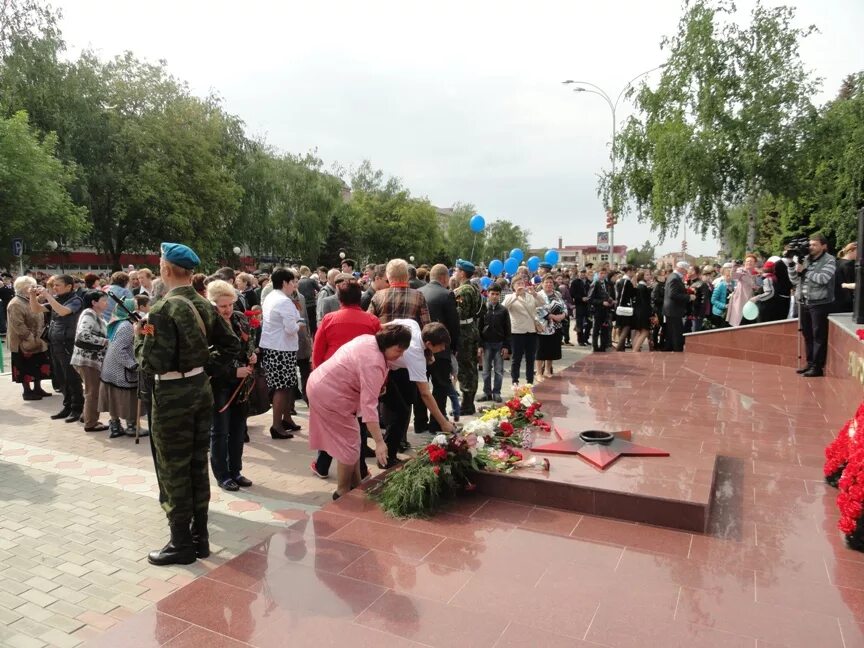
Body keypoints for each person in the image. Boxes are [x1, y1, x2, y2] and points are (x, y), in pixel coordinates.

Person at [135, 242, 240, 566]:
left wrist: (140, 335)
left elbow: (150, 362)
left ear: (166, 270)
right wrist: (204, 367)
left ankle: (180, 542)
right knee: (196, 465)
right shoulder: (203, 303)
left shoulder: (163, 310)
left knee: (173, 470)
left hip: (171, 397)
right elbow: (231, 344)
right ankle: (201, 537)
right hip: (199, 390)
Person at [307, 327, 406, 499]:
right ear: (388, 344)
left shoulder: (370, 340)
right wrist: (379, 442)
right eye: (398, 350)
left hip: (323, 386)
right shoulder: (374, 362)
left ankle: (357, 486)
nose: (401, 355)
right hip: (330, 395)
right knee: (349, 445)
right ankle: (342, 492)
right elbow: (369, 407)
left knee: (352, 441)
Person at [309, 278, 381, 480]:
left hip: (331, 378)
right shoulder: (372, 321)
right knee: (355, 425)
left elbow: (317, 350)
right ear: (360, 298)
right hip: (359, 380)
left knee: (333, 425)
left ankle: (323, 465)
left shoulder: (329, 319)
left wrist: (317, 373)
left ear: (339, 298)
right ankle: (360, 469)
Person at [380, 320, 455, 467]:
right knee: (399, 413)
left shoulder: (412, 325)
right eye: (441, 346)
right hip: (380, 369)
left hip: (392, 369)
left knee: (402, 411)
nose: (443, 348)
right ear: (428, 343)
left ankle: (389, 454)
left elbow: (383, 326)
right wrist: (443, 422)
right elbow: (426, 394)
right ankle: (385, 458)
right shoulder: (415, 356)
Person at [206, 280, 257, 492]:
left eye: (230, 305)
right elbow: (205, 360)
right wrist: (232, 371)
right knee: (220, 431)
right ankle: (222, 474)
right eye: (222, 305)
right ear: (213, 304)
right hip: (219, 384)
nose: (227, 310)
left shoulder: (239, 319)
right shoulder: (208, 325)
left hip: (241, 384)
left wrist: (252, 355)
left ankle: (235, 470)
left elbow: (247, 344)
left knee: (238, 429)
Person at [31, 274, 84, 422]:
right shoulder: (57, 300)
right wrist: (32, 295)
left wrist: (48, 296)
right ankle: (67, 406)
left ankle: (77, 408)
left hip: (68, 343)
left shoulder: (75, 300)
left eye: (58, 285)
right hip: (55, 342)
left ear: (69, 286)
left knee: (72, 377)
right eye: (53, 285)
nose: (54, 288)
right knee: (61, 377)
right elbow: (36, 309)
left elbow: (62, 311)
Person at [260, 268, 305, 439]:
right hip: (281, 348)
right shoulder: (283, 301)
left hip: (275, 346)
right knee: (282, 387)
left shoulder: (272, 296)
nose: (294, 285)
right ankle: (277, 425)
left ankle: (286, 419)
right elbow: (290, 328)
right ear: (285, 283)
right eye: (293, 282)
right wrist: (299, 324)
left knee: (287, 385)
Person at [418, 264, 461, 433]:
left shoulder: (419, 291)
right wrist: (454, 347)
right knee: (440, 386)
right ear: (444, 278)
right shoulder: (447, 294)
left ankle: (420, 422)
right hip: (441, 348)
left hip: (421, 347)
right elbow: (454, 324)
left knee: (421, 387)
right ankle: (437, 423)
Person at [795, 234, 837, 377]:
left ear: (823, 246)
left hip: (820, 303)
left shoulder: (829, 260)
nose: (811, 247)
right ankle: (810, 363)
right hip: (804, 301)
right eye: (810, 244)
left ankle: (817, 367)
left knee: (818, 335)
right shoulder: (806, 259)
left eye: (814, 245)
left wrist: (805, 271)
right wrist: (791, 264)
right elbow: (794, 278)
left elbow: (823, 279)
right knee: (807, 335)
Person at [100, 297, 142, 438]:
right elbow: (119, 349)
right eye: (135, 308)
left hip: (111, 369)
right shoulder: (126, 326)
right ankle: (132, 426)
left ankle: (115, 426)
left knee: (114, 399)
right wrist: (133, 365)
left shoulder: (118, 322)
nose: (138, 310)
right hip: (121, 369)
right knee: (128, 399)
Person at [71, 290, 110, 432]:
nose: (106, 303)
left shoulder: (96, 315)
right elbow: (83, 334)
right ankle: (91, 422)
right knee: (93, 392)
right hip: (87, 360)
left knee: (91, 390)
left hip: (90, 360)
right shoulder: (89, 314)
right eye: (103, 300)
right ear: (94, 302)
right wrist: (105, 342)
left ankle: (86, 416)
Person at [7, 276, 51, 400]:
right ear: (24, 288)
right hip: (23, 342)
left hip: (37, 339)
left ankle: (38, 388)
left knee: (39, 364)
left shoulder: (29, 300)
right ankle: (27, 391)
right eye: (32, 286)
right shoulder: (16, 303)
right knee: (24, 367)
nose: (35, 288)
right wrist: (30, 337)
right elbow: (18, 324)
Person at [503, 277, 544, 384]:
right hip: (517, 331)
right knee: (516, 358)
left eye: (522, 283)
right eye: (518, 283)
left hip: (531, 330)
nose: (521, 285)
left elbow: (543, 303)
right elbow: (504, 308)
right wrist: (516, 295)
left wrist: (535, 293)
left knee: (530, 358)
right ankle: (515, 381)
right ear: (513, 286)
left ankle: (529, 382)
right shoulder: (510, 296)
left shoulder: (531, 296)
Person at [478, 283, 511, 402]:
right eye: (492, 294)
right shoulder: (483, 308)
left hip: (499, 344)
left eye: (497, 294)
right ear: (488, 294)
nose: (495, 296)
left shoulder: (503, 310)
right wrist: (480, 344)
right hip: (486, 344)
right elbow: (479, 327)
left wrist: (507, 346)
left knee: (498, 370)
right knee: (486, 371)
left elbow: (508, 329)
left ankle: (496, 392)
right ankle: (486, 392)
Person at [535, 276, 566, 378]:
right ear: (542, 284)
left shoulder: (557, 294)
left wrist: (563, 315)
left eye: (551, 283)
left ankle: (548, 370)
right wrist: (552, 316)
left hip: (556, 326)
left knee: (552, 349)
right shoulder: (538, 295)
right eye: (547, 282)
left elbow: (564, 306)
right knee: (541, 350)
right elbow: (538, 309)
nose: (549, 284)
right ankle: (539, 373)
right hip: (543, 326)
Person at [664, 262, 692, 352]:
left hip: (672, 310)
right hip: (673, 310)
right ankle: (677, 351)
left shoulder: (673, 277)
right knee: (676, 333)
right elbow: (673, 294)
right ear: (681, 268)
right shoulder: (675, 278)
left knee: (672, 332)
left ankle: (671, 349)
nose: (686, 272)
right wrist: (689, 297)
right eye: (685, 270)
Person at [587, 268, 614, 352]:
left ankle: (603, 346)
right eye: (601, 273)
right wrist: (602, 302)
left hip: (606, 311)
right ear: (598, 274)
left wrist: (610, 300)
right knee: (596, 329)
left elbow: (608, 295)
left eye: (604, 273)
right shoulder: (595, 283)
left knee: (605, 329)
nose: (603, 275)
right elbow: (590, 299)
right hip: (597, 310)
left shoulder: (607, 284)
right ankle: (595, 346)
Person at [727, 255, 758, 326]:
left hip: (752, 299)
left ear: (755, 263)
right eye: (747, 261)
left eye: (751, 261)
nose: (749, 262)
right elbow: (733, 275)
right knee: (738, 320)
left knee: (749, 321)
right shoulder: (742, 270)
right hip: (741, 299)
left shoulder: (756, 273)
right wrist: (734, 267)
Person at [613, 266, 636, 351]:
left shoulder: (622, 281)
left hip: (621, 307)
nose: (634, 273)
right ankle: (619, 347)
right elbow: (622, 295)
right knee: (626, 326)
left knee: (621, 327)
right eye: (633, 271)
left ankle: (621, 347)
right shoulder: (626, 282)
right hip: (624, 307)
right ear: (629, 271)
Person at [631, 271, 653, 352]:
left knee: (638, 332)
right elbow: (645, 303)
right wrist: (650, 314)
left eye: (649, 274)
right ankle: (635, 351)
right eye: (647, 274)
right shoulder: (643, 287)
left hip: (638, 312)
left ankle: (634, 350)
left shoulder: (640, 286)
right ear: (642, 276)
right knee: (645, 332)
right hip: (643, 313)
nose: (649, 276)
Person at [835, 243, 857, 313]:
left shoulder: (836, 262)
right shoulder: (849, 264)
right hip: (848, 301)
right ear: (852, 251)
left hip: (837, 299)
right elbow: (852, 283)